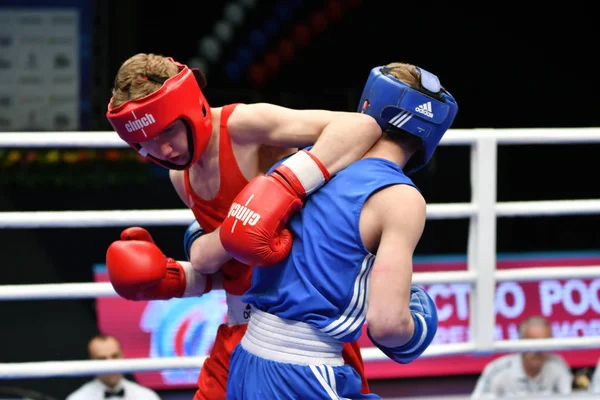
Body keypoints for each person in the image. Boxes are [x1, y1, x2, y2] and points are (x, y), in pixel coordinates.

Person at [103, 53, 382, 399]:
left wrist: (284, 186)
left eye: (169, 130)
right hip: (238, 333)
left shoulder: (242, 126)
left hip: (300, 335)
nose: (163, 148)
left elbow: (362, 127)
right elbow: (243, 254)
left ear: (191, 107)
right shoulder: (181, 177)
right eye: (146, 141)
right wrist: (183, 278)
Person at [219, 62, 458, 398]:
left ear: (368, 105)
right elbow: (388, 325)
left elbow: (227, 239)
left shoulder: (304, 166)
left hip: (247, 361)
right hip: (302, 374)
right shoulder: (401, 199)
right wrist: (417, 329)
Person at [471, 316, 573, 398]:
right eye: (533, 342)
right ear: (521, 343)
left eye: (544, 343)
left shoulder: (559, 366)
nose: (539, 350)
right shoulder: (497, 371)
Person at [66, 335, 161, 400]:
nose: (110, 364)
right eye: (102, 359)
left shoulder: (147, 397)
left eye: (114, 356)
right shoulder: (77, 398)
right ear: (91, 361)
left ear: (123, 356)